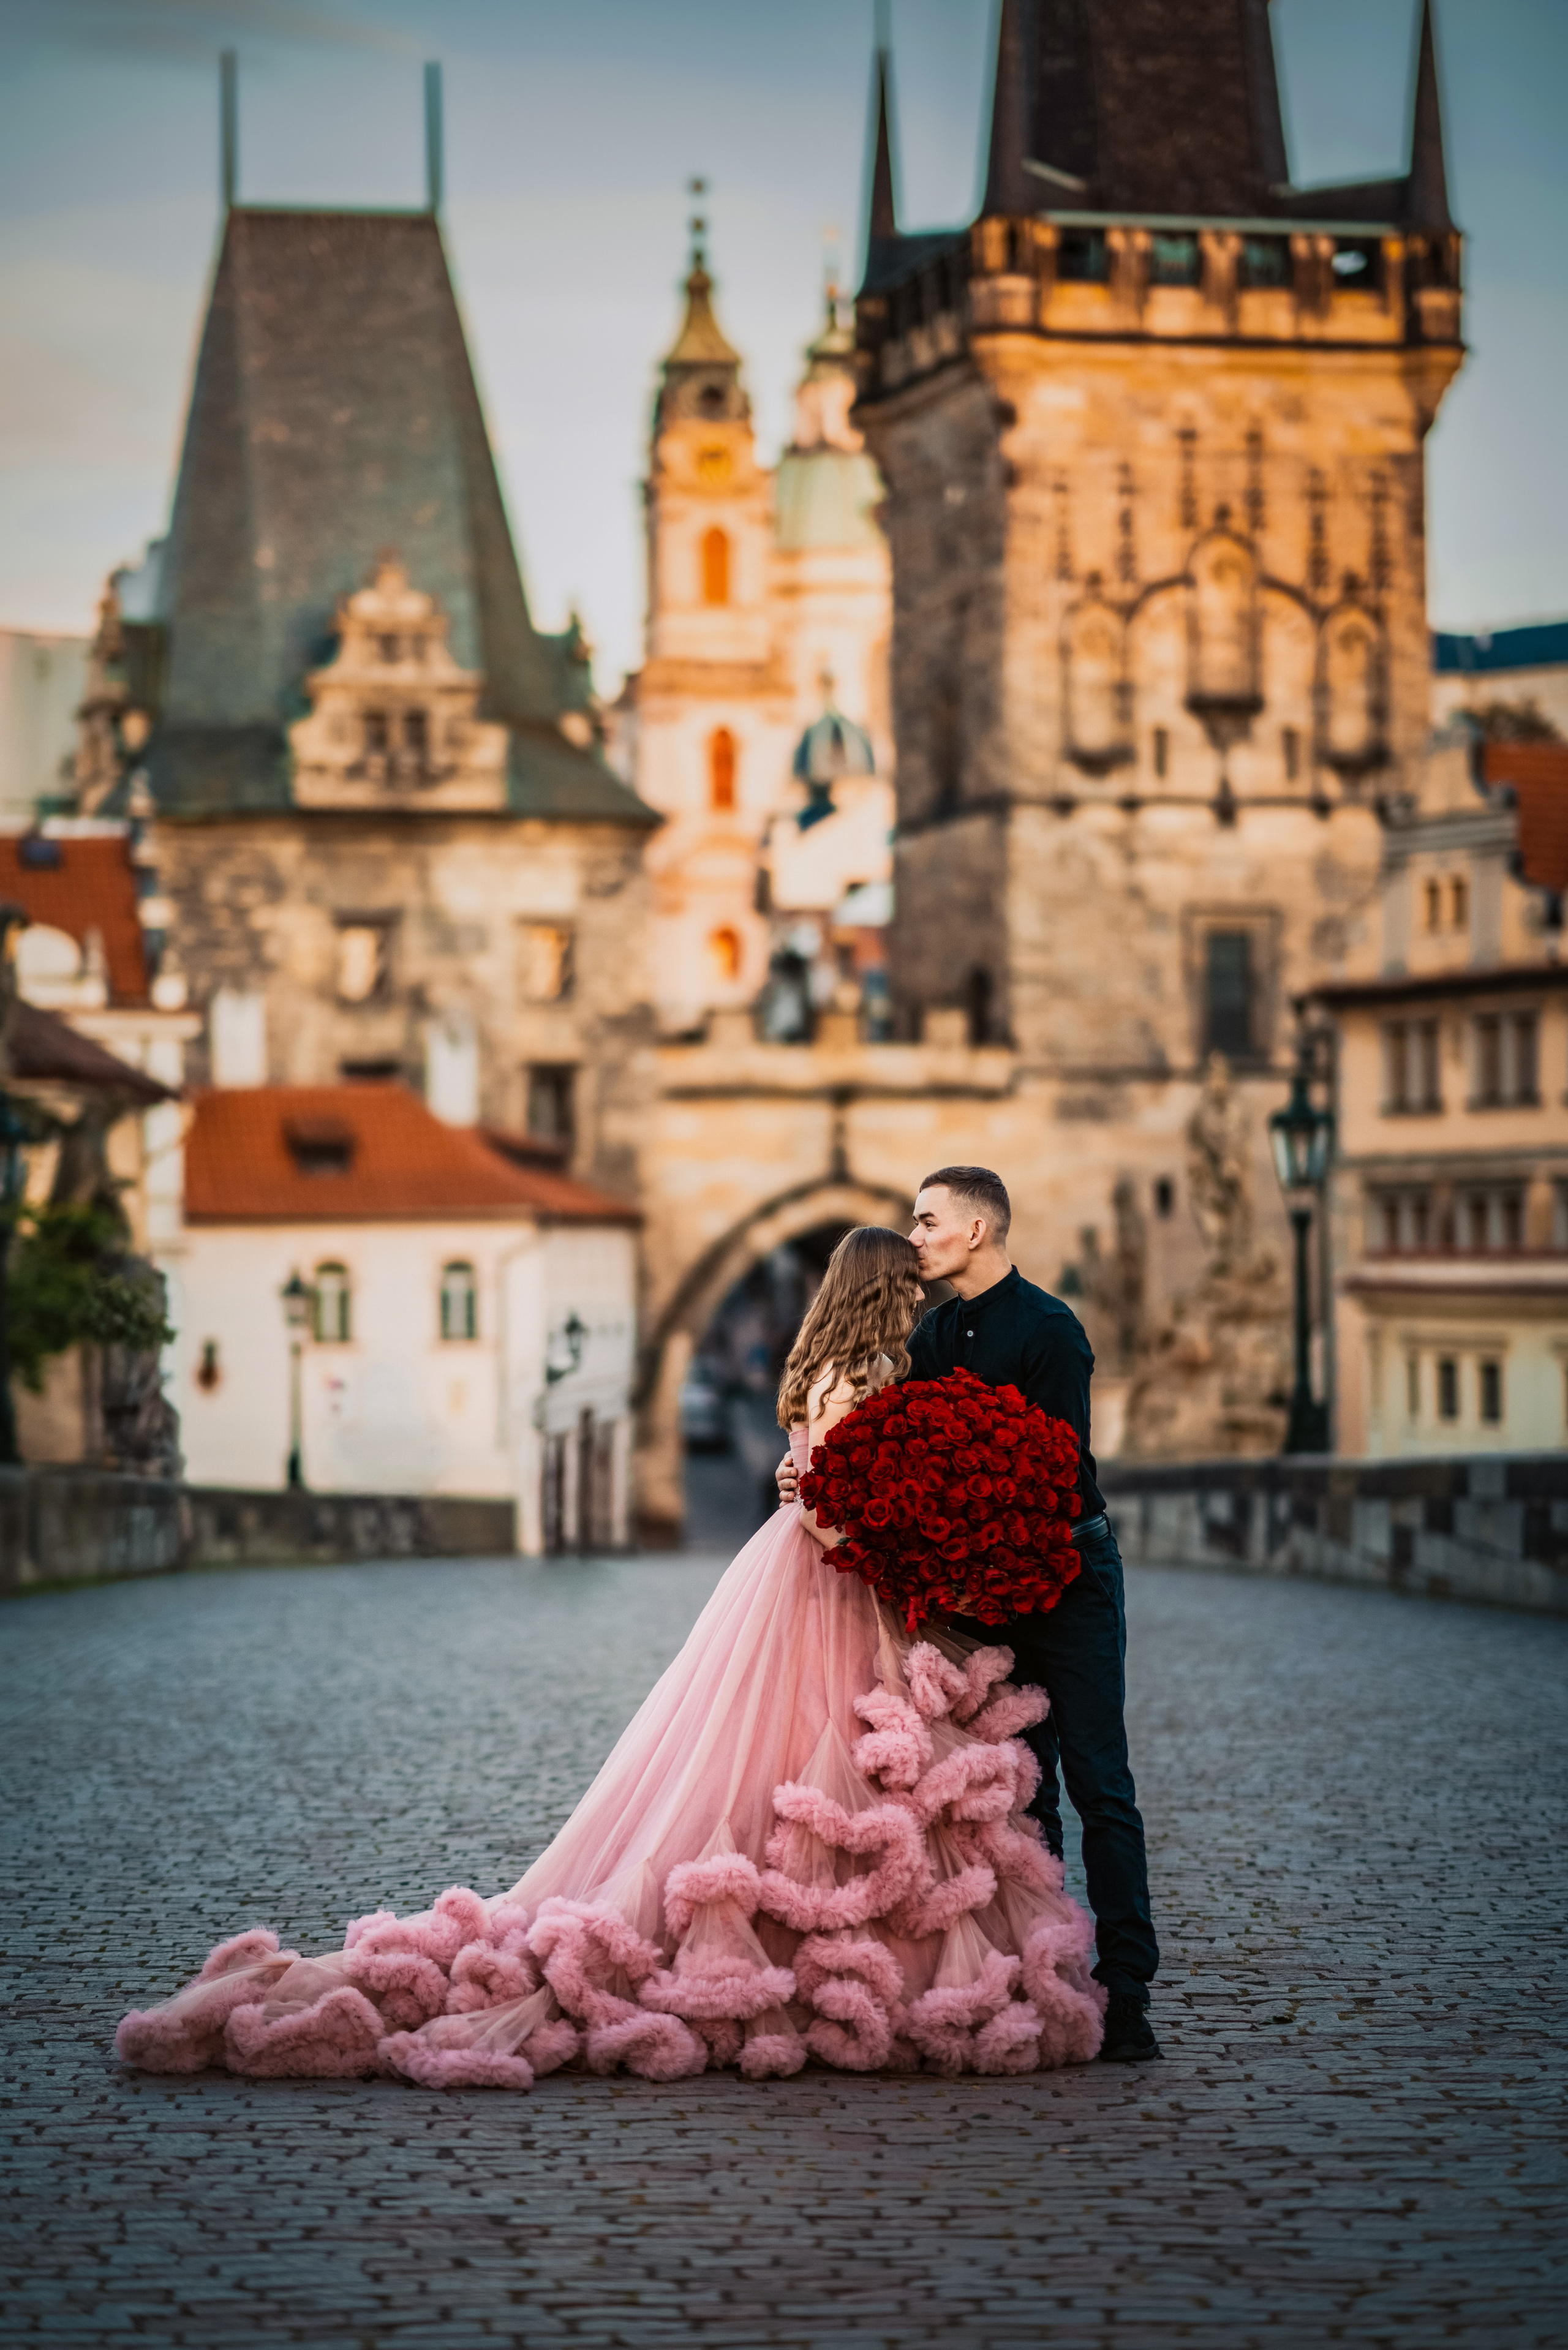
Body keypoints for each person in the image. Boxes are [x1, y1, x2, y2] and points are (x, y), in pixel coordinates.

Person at [117, 1227, 1106, 2090]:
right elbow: (823, 1503)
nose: (921, 1299)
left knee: (784, 1757)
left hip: (796, 1572)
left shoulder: (819, 1370)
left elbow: (802, 1476)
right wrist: (880, 1549)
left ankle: (812, 1933)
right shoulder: (867, 1375)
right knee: (825, 1755)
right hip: (830, 1580)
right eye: (910, 1283)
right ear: (886, 1289)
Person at [777, 1169, 1161, 2063]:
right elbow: (879, 1448)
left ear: (979, 1227)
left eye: (929, 1220)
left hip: (1067, 1570)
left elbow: (1055, 1475)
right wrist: (807, 1476)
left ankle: (1130, 1986)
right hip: (975, 1585)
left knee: (1099, 1777)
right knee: (1014, 1781)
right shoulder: (932, 1335)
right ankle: (1054, 1970)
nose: (915, 1236)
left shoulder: (1052, 1331)